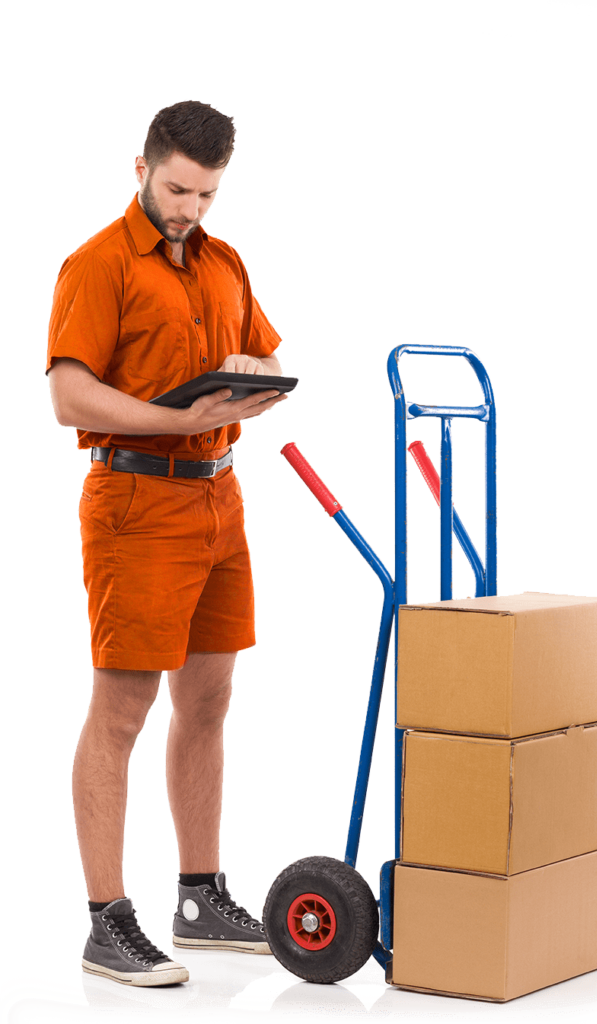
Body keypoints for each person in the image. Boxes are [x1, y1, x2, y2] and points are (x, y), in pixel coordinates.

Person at [45, 102, 290, 987]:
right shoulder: (98, 263)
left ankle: (199, 897)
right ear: (142, 169)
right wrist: (174, 420)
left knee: (210, 698)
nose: (190, 209)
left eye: (207, 194)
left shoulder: (225, 262)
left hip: (221, 498)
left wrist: (257, 380)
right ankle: (107, 921)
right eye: (179, 190)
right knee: (121, 710)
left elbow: (267, 357)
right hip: (136, 501)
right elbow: (69, 397)